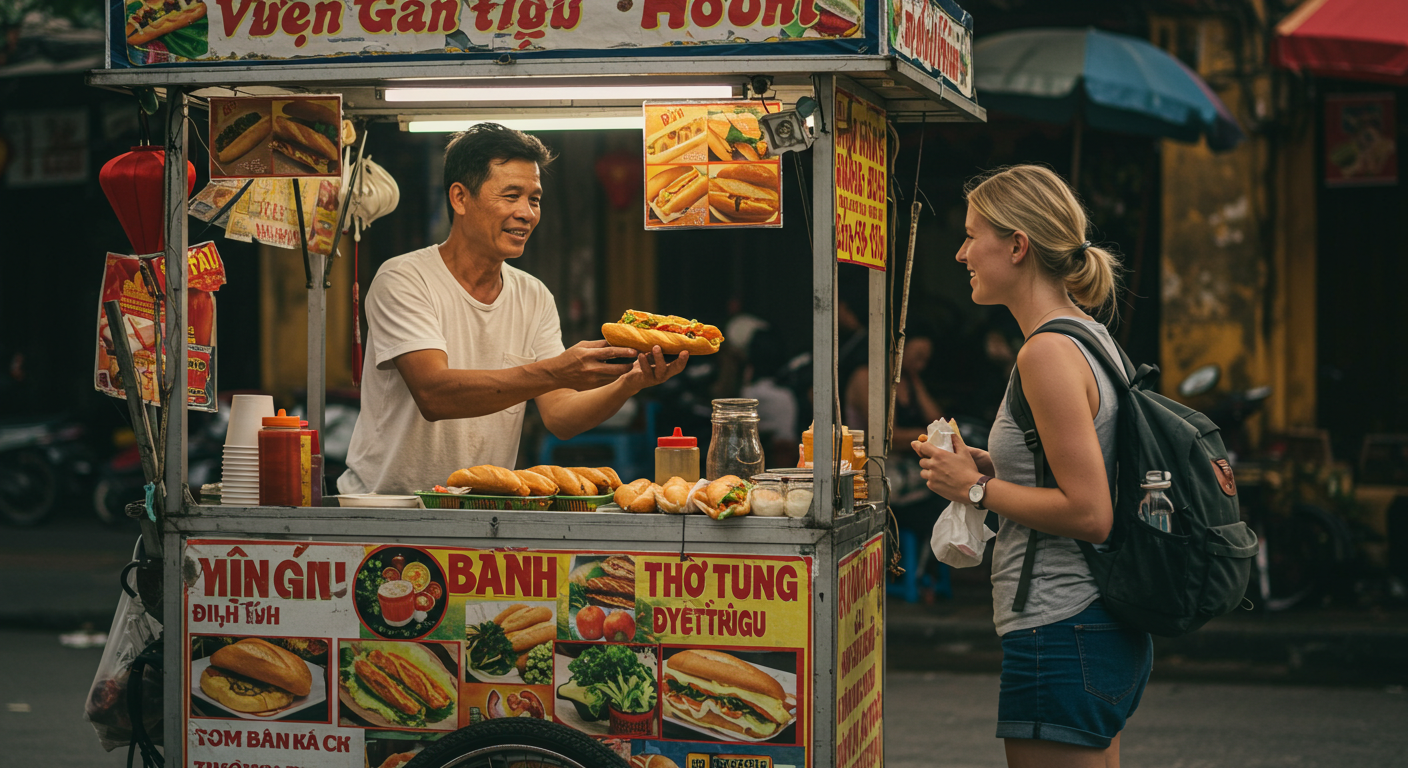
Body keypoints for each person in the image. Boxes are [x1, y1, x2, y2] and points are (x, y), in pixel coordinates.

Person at [912, 165, 1144, 767]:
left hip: (1062, 626)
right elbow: (1080, 465)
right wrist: (994, 467)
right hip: (1094, 625)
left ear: (1017, 246)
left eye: (971, 235)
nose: (961, 253)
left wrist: (976, 488)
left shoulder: (1045, 353)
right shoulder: (1088, 334)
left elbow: (1090, 512)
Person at [339, 124, 686, 495]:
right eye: (511, 196)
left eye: (534, 199)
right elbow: (434, 394)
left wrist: (630, 382)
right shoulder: (405, 279)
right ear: (460, 198)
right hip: (389, 506)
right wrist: (556, 370)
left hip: (482, 507)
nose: (527, 213)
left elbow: (561, 416)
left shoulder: (533, 296)